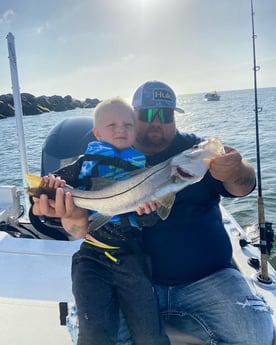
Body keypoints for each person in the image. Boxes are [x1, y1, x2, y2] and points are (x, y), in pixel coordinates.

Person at [32, 82, 275, 345]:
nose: (156, 122)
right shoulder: (103, 161)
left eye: (165, 115)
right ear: (133, 118)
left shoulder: (194, 152)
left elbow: (244, 186)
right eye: (147, 114)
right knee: (96, 334)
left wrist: (236, 168)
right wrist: (72, 218)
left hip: (207, 279)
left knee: (256, 335)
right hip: (127, 278)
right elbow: (65, 223)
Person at [35, 97, 170, 345]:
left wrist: (149, 211)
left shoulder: (145, 170)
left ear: (135, 131)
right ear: (97, 133)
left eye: (128, 125)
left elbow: (151, 221)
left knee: (150, 334)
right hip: (91, 258)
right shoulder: (84, 163)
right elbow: (49, 188)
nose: (121, 129)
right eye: (112, 125)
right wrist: (48, 186)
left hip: (132, 257)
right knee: (95, 333)